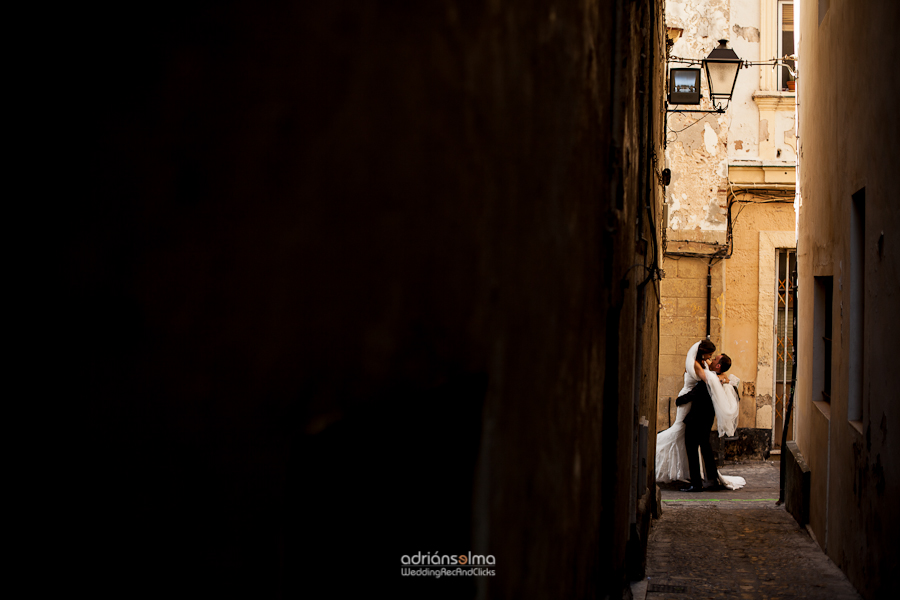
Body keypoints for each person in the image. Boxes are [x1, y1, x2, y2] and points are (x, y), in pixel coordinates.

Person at [654, 340, 745, 490]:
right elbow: (709, 381)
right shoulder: (700, 365)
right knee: (696, 442)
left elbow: (704, 386)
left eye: (714, 358)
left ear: (717, 365)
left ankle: (697, 481)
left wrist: (683, 399)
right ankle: (707, 479)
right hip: (697, 408)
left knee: (690, 442)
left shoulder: (706, 370)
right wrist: (722, 378)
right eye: (711, 354)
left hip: (696, 410)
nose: (711, 358)